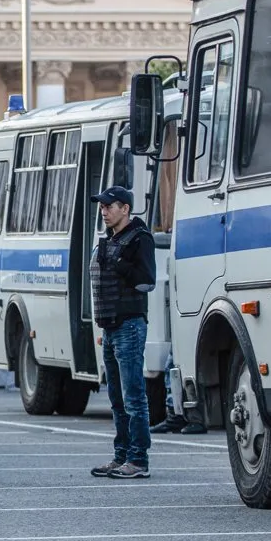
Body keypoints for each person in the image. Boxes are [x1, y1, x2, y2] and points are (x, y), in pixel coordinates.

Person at [87, 186, 157, 480]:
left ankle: (138, 460)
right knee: (116, 397)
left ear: (125, 209)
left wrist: (119, 263)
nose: (104, 211)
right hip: (111, 325)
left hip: (129, 325)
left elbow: (147, 281)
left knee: (133, 397)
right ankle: (121, 456)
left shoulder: (139, 239)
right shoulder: (109, 240)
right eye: (102, 207)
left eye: (109, 206)